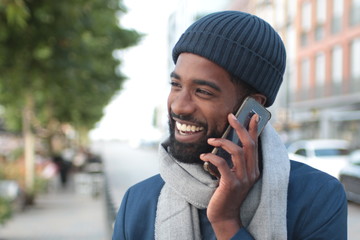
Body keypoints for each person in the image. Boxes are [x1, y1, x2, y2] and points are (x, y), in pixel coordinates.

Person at [112, 11, 347, 240]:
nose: (179, 106)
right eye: (176, 85)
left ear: (252, 109)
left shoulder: (317, 196)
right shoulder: (139, 201)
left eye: (202, 91)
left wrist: (226, 223)